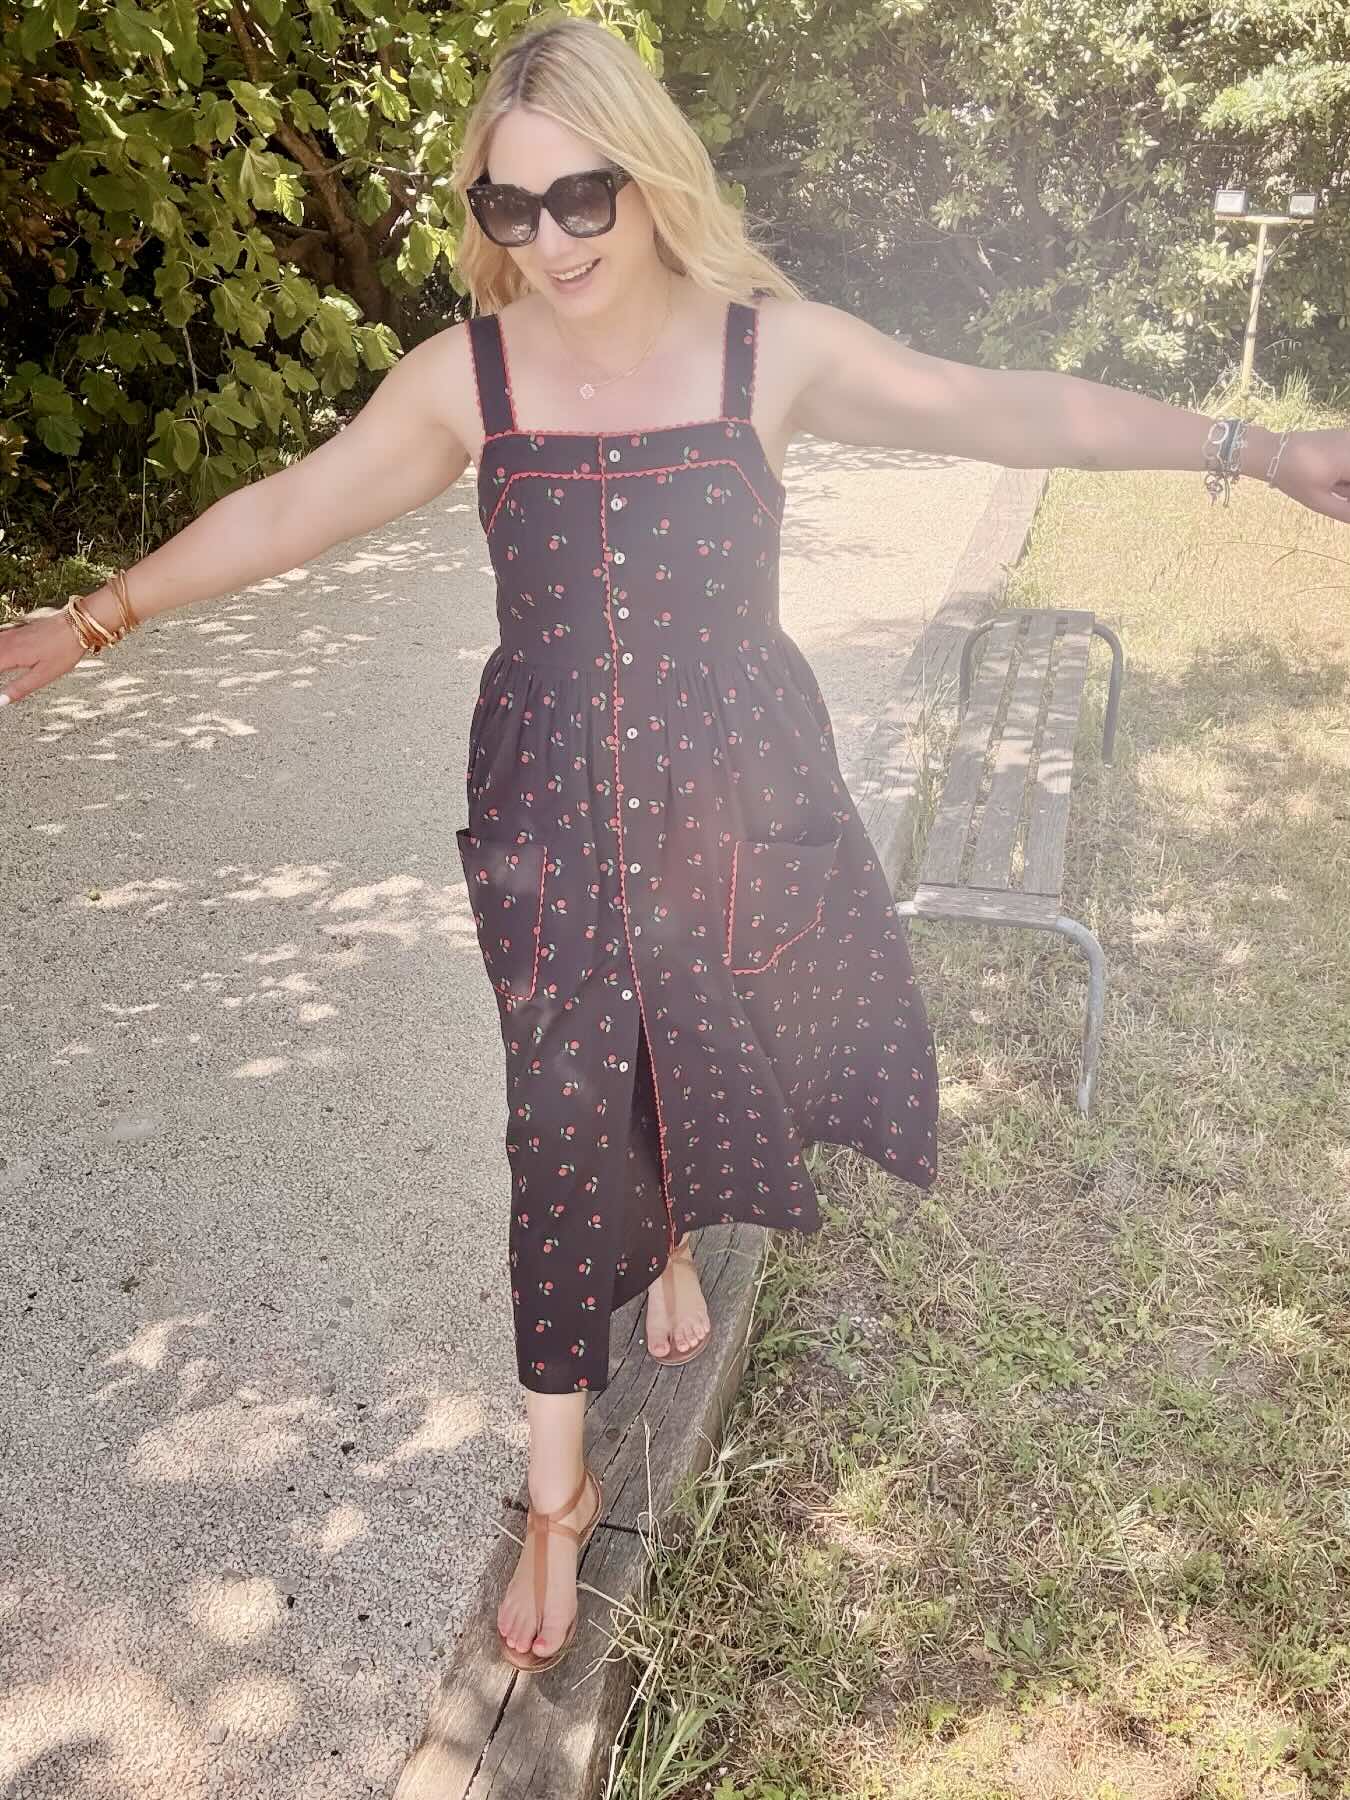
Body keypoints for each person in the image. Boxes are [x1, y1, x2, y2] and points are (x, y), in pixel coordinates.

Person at [4, 13, 1347, 1679]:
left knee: (698, 1025)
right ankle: (557, 1490)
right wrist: (100, 616)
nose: (550, 240)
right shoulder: (468, 379)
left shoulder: (764, 355)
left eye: (582, 197)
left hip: (735, 779)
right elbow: (295, 504)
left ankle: (663, 1248)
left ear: (648, 179)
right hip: (547, 794)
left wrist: (1257, 449)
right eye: (507, 208)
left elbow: (998, 410)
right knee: (559, 1098)